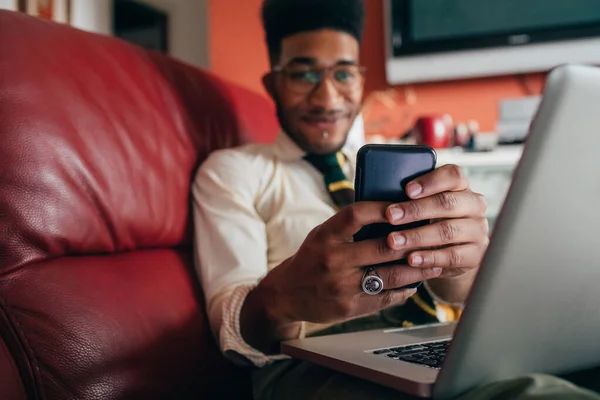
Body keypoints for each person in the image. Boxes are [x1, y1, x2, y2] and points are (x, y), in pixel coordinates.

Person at [192, 0, 600, 399]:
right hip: (305, 362)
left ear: (361, 80)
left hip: (440, 338)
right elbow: (230, 326)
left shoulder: (404, 165)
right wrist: (280, 299)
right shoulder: (233, 171)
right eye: (304, 75)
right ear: (273, 84)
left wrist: (459, 270)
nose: (328, 98)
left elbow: (461, 296)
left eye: (344, 75)